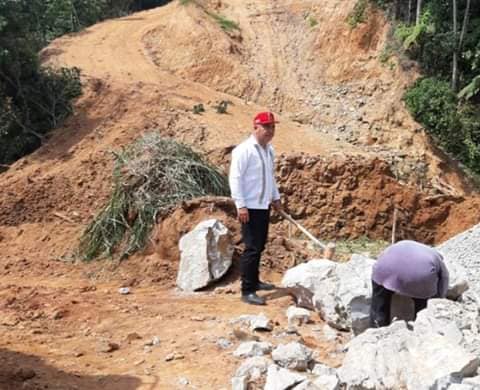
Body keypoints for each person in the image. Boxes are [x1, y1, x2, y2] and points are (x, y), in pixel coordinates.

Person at [229, 111, 282, 305]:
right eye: (266, 127)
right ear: (256, 127)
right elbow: (235, 178)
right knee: (251, 248)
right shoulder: (244, 150)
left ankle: (255, 281)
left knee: (259, 245)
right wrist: (240, 205)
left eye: (272, 127)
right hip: (249, 207)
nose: (270, 131)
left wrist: (275, 197)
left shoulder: (269, 150)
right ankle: (247, 290)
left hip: (263, 205)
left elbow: (270, 177)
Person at [370, 240, 449, 328]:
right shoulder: (437, 259)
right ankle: (421, 328)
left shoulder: (403, 243)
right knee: (422, 307)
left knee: (379, 302)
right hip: (418, 276)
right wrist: (438, 299)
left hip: (384, 268)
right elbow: (444, 280)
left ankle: (377, 327)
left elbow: (381, 257)